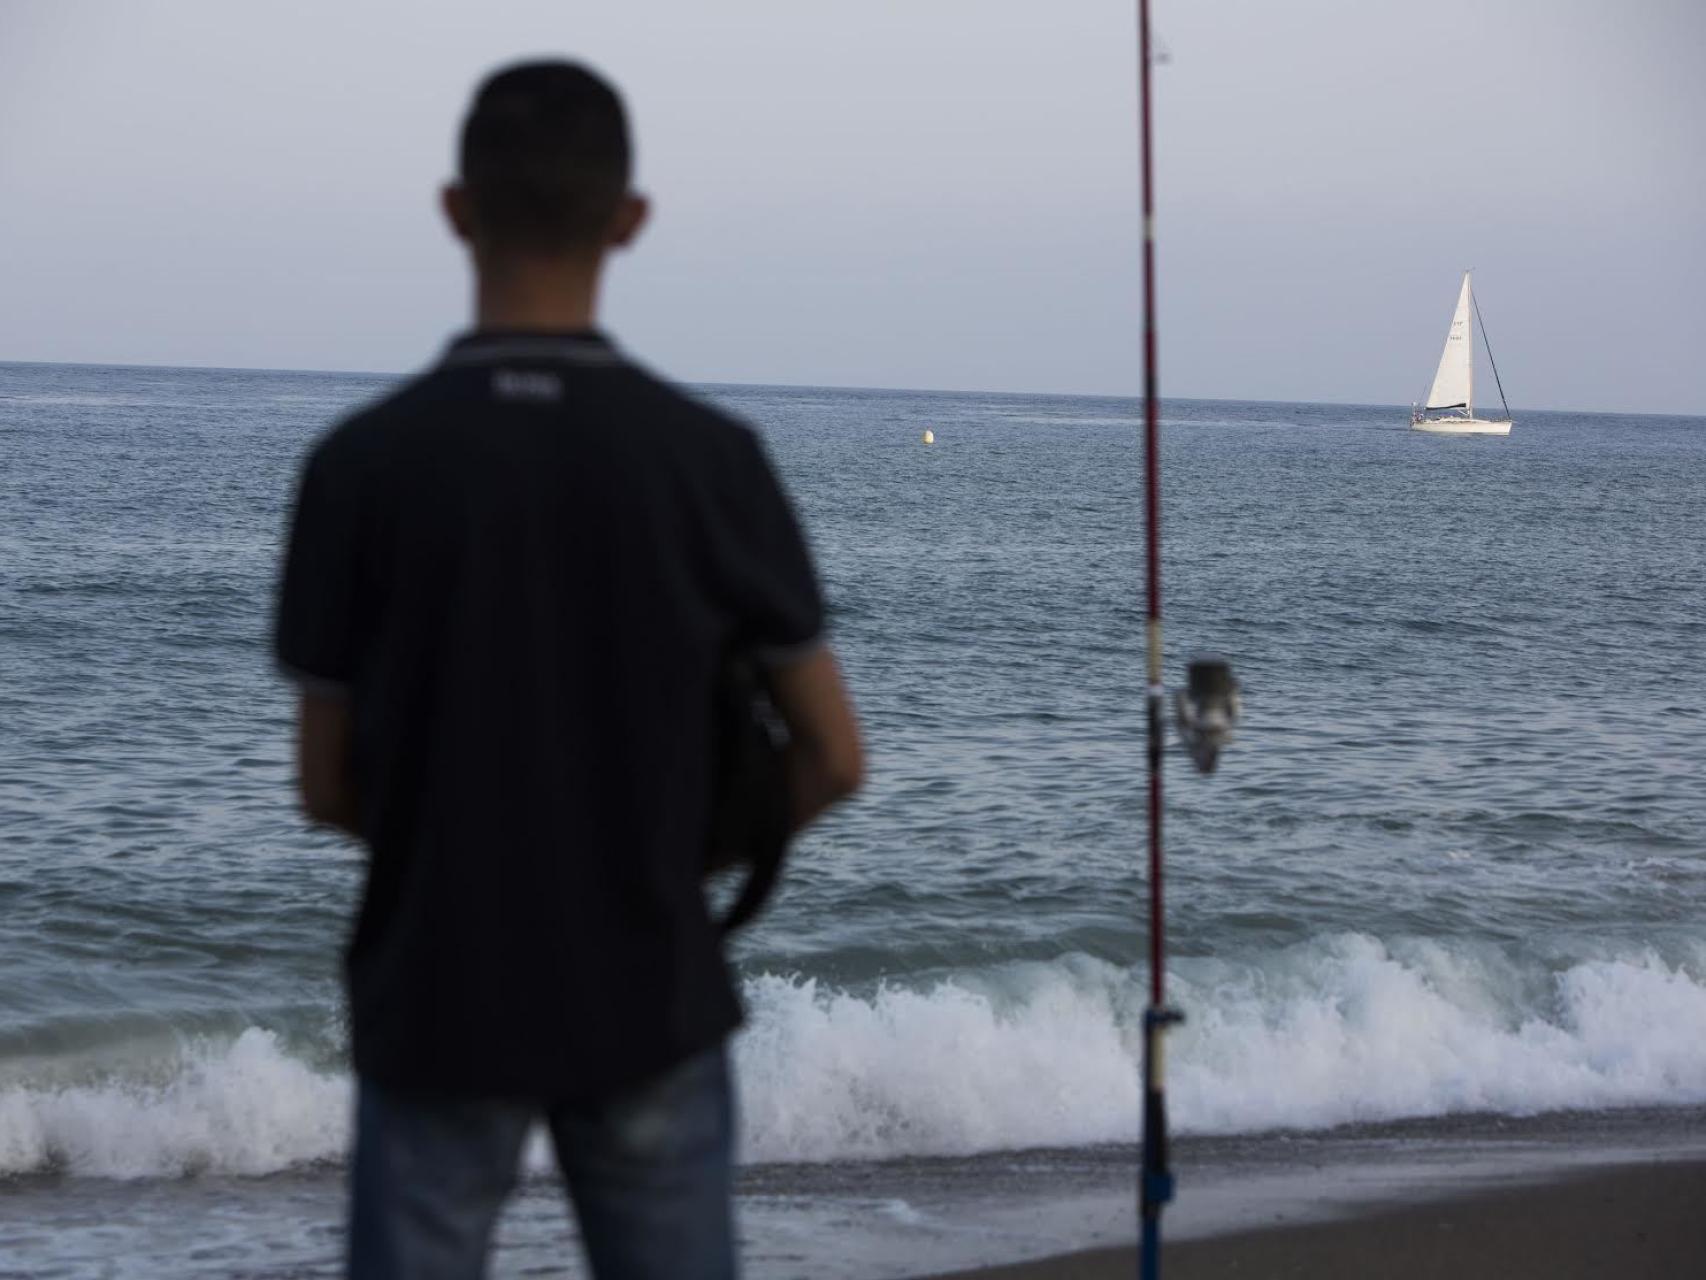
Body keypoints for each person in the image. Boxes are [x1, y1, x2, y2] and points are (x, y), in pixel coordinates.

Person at [274, 60, 863, 1280]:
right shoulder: (709, 460)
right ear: (628, 219)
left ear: (455, 209)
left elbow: (326, 786)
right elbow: (832, 755)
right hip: (648, 990)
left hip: (435, 991)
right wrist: (674, 859)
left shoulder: (362, 464)